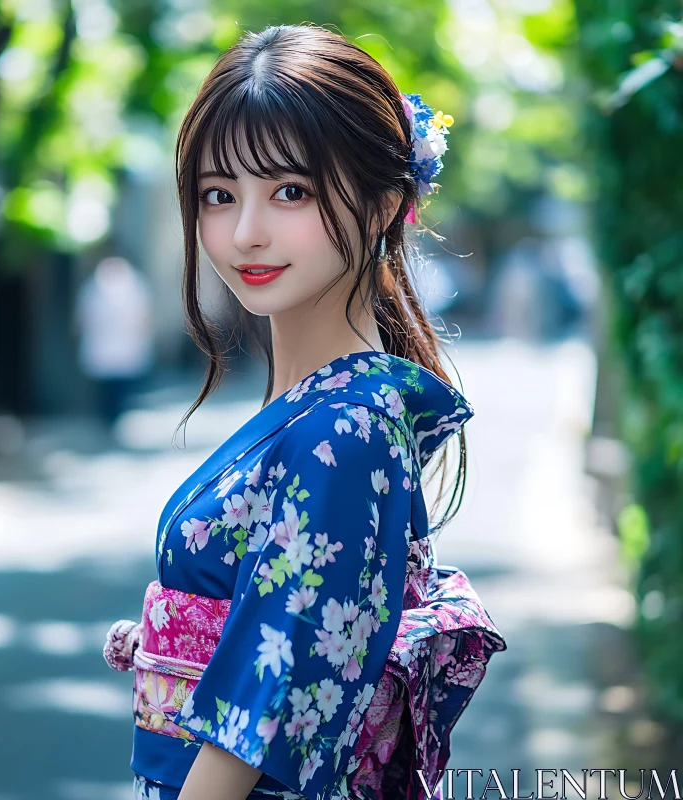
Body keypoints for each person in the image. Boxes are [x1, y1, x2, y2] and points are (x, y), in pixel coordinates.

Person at [103, 23, 506, 800]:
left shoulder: (344, 429)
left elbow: (266, 706)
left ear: (388, 203)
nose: (245, 232)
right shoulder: (326, 409)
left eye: (292, 191)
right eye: (220, 195)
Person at [75, 256, 155, 427]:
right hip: (122, 348)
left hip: (105, 348)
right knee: (119, 388)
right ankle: (114, 418)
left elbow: (81, 319)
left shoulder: (92, 288)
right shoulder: (135, 285)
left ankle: (109, 419)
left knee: (107, 389)